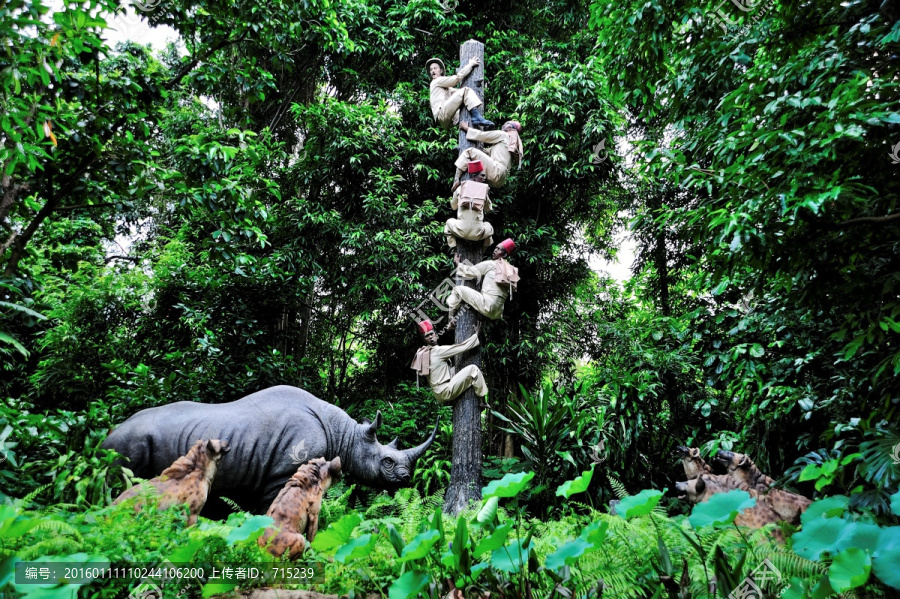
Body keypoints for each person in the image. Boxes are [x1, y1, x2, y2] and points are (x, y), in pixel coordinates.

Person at [410, 319, 488, 404]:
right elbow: (462, 347)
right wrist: (476, 335)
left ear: (436, 335)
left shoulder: (425, 353)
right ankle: (483, 401)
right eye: (427, 336)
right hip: (445, 391)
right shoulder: (438, 351)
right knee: (473, 369)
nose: (430, 337)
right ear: (424, 340)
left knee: (457, 368)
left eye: (431, 334)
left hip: (438, 394)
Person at [447, 239, 520, 321]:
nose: (495, 250)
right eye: (495, 248)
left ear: (504, 255)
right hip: (498, 313)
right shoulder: (511, 270)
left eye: (498, 249)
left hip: (487, 305)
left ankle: (450, 320)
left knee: (457, 290)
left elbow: (470, 272)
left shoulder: (491, 264)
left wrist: (458, 264)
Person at [451, 121, 523, 190]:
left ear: (510, 128)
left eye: (507, 124)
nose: (503, 125)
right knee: (477, 177)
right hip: (501, 178)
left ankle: (456, 179)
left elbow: (483, 136)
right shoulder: (510, 144)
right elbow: (485, 152)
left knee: (469, 151)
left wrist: (466, 128)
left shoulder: (504, 135)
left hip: (496, 170)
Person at [427, 57, 494, 129]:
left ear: (441, 71)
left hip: (446, 120)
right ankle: (477, 117)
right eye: (431, 69)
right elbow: (456, 79)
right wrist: (470, 65)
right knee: (465, 90)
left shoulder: (446, 88)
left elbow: (457, 93)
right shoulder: (436, 81)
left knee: (466, 105)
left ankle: (481, 126)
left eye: (435, 68)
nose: (433, 71)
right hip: (442, 113)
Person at [444, 160, 494, 248]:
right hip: (477, 233)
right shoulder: (483, 190)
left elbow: (453, 206)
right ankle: (484, 250)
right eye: (482, 176)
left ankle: (454, 249)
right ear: (474, 176)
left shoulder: (460, 188)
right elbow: (488, 209)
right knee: (489, 227)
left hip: (461, 230)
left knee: (448, 222)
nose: (484, 178)